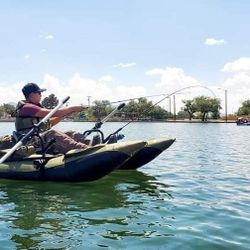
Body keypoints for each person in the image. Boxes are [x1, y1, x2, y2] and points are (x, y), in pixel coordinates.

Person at [14, 82, 90, 154]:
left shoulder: (34, 107)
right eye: (39, 93)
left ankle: (91, 146)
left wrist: (65, 114)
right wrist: (73, 108)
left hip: (39, 138)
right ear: (31, 95)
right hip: (30, 141)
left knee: (71, 133)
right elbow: (52, 113)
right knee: (52, 133)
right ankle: (84, 149)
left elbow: (50, 123)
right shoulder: (27, 108)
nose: (41, 95)